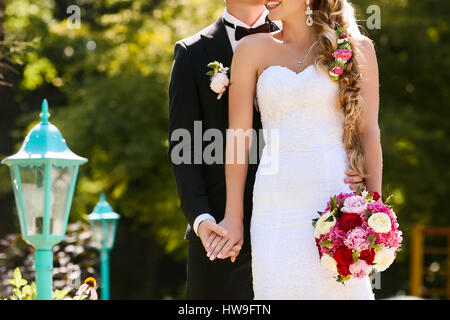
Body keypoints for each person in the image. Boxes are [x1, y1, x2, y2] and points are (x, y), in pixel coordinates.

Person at [168, 0, 367, 299]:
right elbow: (183, 149)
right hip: (222, 236)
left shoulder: (312, 40)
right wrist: (202, 219)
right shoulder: (192, 52)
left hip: (307, 216)